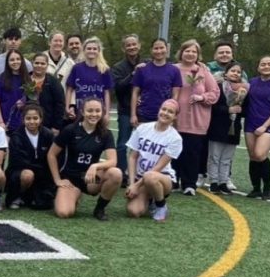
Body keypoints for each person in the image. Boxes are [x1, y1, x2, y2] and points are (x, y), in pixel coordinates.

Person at [47, 98, 122, 220]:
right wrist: (57, 180)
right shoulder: (70, 130)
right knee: (64, 213)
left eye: (97, 111)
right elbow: (51, 154)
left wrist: (95, 166)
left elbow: (113, 161)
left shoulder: (105, 133)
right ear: (82, 112)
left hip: (90, 179)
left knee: (116, 173)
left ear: (102, 112)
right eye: (90, 111)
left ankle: (100, 209)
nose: (93, 114)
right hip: (70, 179)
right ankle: (75, 194)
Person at [172, 40, 219, 195]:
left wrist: (202, 97)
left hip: (197, 119)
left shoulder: (203, 72)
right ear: (181, 52)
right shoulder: (173, 69)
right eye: (187, 51)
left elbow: (215, 93)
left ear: (198, 55)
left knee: (192, 152)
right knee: (173, 151)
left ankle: (189, 184)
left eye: (194, 52)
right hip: (175, 118)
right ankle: (173, 180)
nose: (190, 54)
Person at [125, 99, 183, 222]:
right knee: (133, 212)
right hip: (141, 177)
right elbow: (132, 157)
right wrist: (131, 184)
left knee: (150, 176)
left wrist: (137, 185)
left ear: (175, 117)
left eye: (170, 112)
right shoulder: (142, 128)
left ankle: (161, 205)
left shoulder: (175, 138)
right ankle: (150, 200)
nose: (165, 113)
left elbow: (159, 167)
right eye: (164, 109)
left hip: (161, 179)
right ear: (159, 110)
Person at [243, 56, 270, 199]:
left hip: (269, 125)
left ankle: (267, 186)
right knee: (252, 157)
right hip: (250, 124)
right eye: (263, 64)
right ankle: (256, 188)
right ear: (258, 67)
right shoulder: (252, 83)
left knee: (260, 154)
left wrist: (265, 126)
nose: (266, 66)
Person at [206, 62, 247, 194]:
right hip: (218, 126)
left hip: (234, 127)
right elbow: (213, 106)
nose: (235, 74)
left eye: (238, 72)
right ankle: (213, 181)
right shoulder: (218, 87)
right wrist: (228, 109)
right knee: (214, 156)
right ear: (226, 73)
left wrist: (240, 110)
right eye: (232, 71)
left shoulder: (245, 89)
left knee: (227, 158)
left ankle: (223, 182)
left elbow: (246, 109)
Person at [6, 104, 55, 210]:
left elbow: (53, 157)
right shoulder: (16, 136)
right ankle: (17, 196)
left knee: (44, 204)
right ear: (23, 120)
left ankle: (32, 196)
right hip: (20, 171)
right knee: (28, 175)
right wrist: (39, 169)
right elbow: (18, 161)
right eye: (28, 118)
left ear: (41, 119)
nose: (32, 121)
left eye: (35, 118)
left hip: (42, 173)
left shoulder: (48, 135)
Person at [111, 34, 142, 176]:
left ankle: (141, 172)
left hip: (145, 111)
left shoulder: (147, 63)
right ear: (124, 48)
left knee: (145, 143)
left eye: (134, 44)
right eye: (128, 45)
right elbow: (117, 87)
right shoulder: (118, 67)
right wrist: (133, 74)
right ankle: (122, 173)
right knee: (123, 144)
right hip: (125, 110)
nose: (132, 47)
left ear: (139, 45)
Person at [131, 38, 182, 125]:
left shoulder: (174, 70)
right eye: (156, 48)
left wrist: (171, 112)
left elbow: (175, 95)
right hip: (144, 115)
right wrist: (133, 115)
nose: (159, 51)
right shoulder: (142, 69)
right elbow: (135, 93)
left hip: (164, 116)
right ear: (151, 50)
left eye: (162, 48)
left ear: (167, 49)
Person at [65, 37, 113, 121]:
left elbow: (106, 93)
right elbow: (70, 89)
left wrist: (107, 113)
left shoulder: (104, 69)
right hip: (80, 111)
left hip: (98, 112)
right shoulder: (77, 68)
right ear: (84, 50)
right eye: (89, 48)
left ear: (99, 51)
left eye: (94, 49)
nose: (92, 51)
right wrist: (67, 107)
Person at [0, 27, 32, 104]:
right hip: (0, 109)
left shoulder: (28, 65)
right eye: (10, 39)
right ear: (4, 41)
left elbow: (31, 90)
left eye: (16, 39)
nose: (13, 42)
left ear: (20, 41)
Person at [0, 49, 29, 132]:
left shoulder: (28, 79)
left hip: (24, 123)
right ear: (7, 62)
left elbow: (33, 99)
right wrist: (0, 122)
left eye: (18, 59)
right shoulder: (1, 79)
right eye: (12, 60)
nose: (15, 62)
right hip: (6, 123)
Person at [30, 53, 66, 135]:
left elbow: (60, 104)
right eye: (37, 63)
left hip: (48, 126)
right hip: (28, 123)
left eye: (42, 63)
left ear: (47, 65)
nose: (39, 65)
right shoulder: (26, 79)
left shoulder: (53, 82)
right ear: (32, 63)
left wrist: (56, 126)